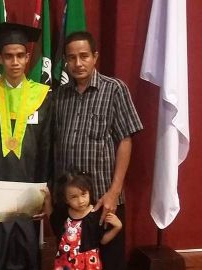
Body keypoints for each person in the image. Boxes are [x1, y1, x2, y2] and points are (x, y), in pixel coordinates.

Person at [52, 31, 143, 270]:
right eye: (71, 58)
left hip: (103, 200)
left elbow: (125, 140)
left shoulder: (114, 89)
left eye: (84, 56)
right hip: (70, 204)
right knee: (72, 262)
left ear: (95, 56)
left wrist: (114, 191)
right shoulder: (59, 96)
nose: (78, 63)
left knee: (109, 261)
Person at [0, 22, 53, 270]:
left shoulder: (42, 96)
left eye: (20, 56)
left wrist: (47, 190)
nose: (15, 62)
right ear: (0, 58)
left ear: (28, 57)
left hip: (29, 190)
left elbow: (48, 146)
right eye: (9, 56)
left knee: (28, 254)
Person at [50, 170, 122, 270]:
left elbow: (102, 240)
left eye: (84, 194)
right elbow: (52, 220)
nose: (80, 201)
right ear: (66, 199)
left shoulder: (95, 215)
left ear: (89, 191)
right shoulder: (63, 214)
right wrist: (47, 201)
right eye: (74, 197)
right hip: (65, 262)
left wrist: (117, 227)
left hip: (88, 264)